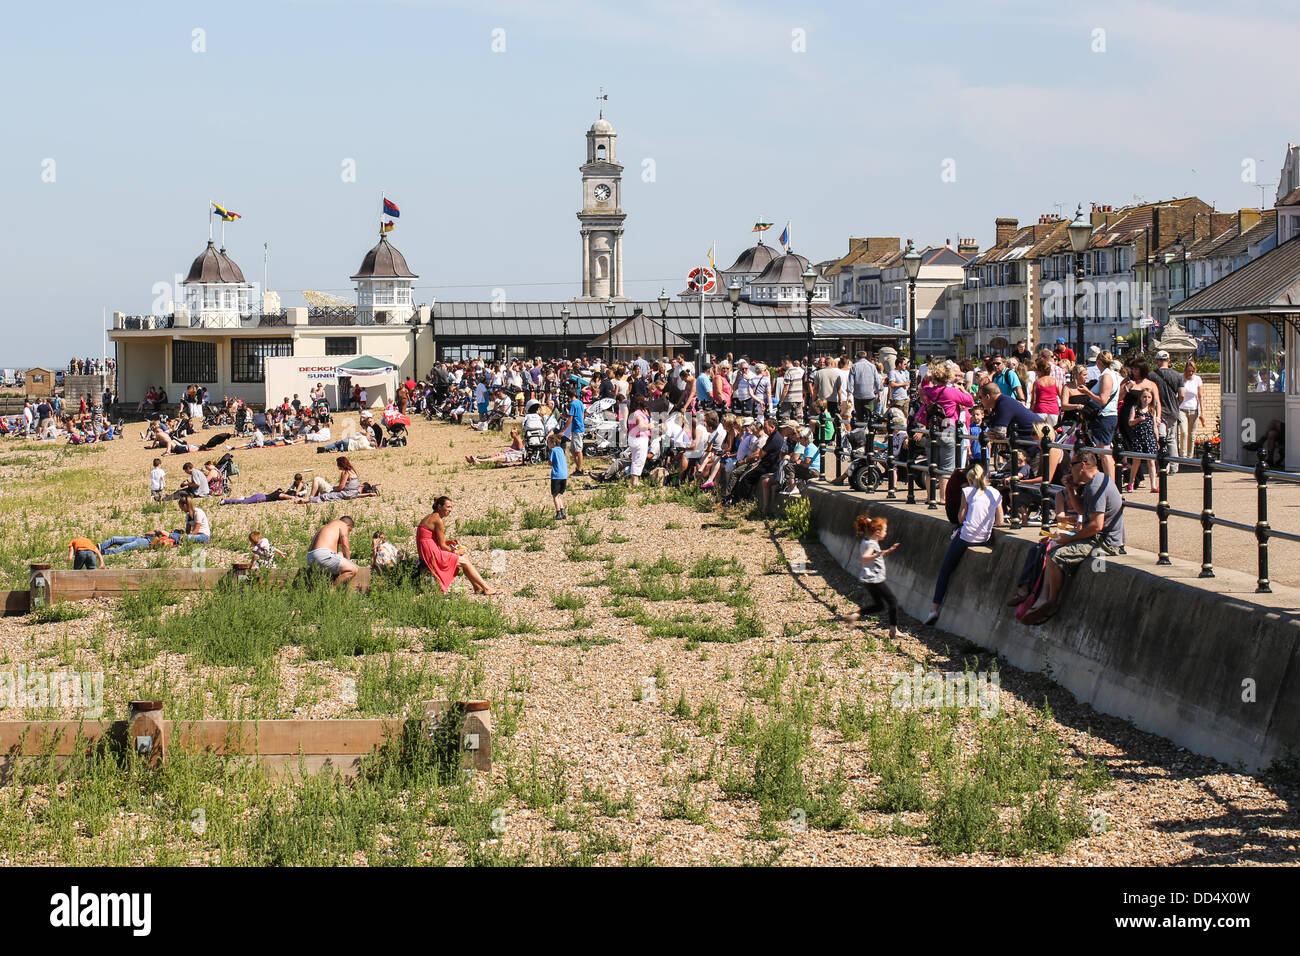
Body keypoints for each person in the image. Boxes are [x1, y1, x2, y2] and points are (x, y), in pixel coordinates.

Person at [1019, 449, 1125, 623]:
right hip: (1102, 536)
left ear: (1082, 466)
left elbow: (1096, 526)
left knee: (1054, 556)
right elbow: (1082, 510)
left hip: (1105, 542)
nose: (1069, 471)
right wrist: (1070, 487)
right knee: (1052, 544)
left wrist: (1070, 539)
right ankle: (1041, 598)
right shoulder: (1098, 481)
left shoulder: (1095, 486)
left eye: (1071, 466)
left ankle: (1052, 603)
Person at [924, 462, 1004, 625]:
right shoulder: (995, 493)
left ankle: (934, 609)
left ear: (969, 479)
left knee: (945, 570)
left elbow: (961, 518)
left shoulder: (967, 491)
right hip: (985, 537)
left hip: (967, 536)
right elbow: (1000, 521)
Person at [415, 497, 500, 595]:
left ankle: (477, 587)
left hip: (428, 552)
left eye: (451, 507)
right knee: (464, 561)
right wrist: (455, 551)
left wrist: (450, 544)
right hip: (432, 555)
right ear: (439, 507)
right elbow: (442, 546)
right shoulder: (438, 520)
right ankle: (487, 588)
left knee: (465, 558)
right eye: (448, 507)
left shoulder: (429, 517)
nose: (450, 510)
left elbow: (431, 540)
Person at [845, 514, 903, 641]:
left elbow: (873, 554)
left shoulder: (866, 541)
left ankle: (855, 615)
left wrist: (886, 551)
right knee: (893, 601)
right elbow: (865, 558)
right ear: (877, 532)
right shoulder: (872, 545)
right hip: (875, 579)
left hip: (867, 579)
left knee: (879, 605)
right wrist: (877, 555)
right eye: (885, 530)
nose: (886, 533)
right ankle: (894, 630)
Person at [306, 516, 360, 590]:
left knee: (340, 554)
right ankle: (331, 592)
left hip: (310, 558)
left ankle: (319, 590)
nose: (348, 533)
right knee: (353, 569)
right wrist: (348, 561)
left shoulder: (326, 527)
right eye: (349, 531)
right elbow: (345, 544)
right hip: (322, 555)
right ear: (348, 525)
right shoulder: (343, 525)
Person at [1177, 360, 1204, 459]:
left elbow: (1200, 396)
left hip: (1194, 409)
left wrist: (1202, 412)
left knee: (1191, 435)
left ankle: (1190, 456)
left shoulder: (1197, 379)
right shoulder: (1180, 378)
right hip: (1182, 409)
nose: (1190, 373)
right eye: (1188, 371)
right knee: (1184, 432)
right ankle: (1183, 455)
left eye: (1192, 371)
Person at [847, 352, 881, 424]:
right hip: (870, 395)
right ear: (866, 357)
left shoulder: (854, 366)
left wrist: (849, 395)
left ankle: (860, 431)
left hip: (858, 395)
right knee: (870, 415)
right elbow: (877, 381)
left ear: (857, 357)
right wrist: (879, 395)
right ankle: (869, 432)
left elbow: (850, 382)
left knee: (859, 416)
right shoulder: (872, 366)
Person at [627, 393, 652, 487]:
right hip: (640, 438)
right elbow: (641, 426)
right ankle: (635, 481)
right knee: (639, 460)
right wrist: (650, 426)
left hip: (633, 438)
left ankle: (634, 480)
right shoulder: (639, 414)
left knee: (635, 459)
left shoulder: (632, 413)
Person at [561, 386, 586, 475]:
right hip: (578, 427)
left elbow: (571, 419)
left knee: (578, 450)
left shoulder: (573, 404)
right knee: (572, 450)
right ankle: (578, 467)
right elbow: (580, 414)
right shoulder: (580, 403)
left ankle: (579, 469)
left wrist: (563, 429)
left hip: (577, 429)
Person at [548, 431, 569, 520]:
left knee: (555, 495)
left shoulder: (553, 450)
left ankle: (558, 513)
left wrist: (549, 462)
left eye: (548, 443)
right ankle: (562, 511)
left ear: (553, 443)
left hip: (556, 475)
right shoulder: (561, 449)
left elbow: (550, 462)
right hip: (564, 475)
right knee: (559, 495)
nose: (548, 445)